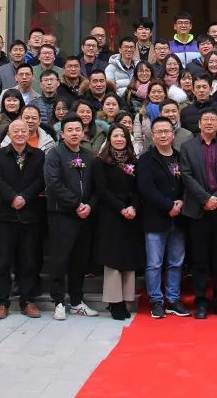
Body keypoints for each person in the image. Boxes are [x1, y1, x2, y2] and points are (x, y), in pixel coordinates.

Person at [179, 108, 217, 318]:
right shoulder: (187, 147)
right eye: (206, 119)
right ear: (199, 123)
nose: (210, 122)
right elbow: (186, 176)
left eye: (213, 119)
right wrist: (205, 199)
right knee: (199, 258)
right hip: (198, 210)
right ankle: (201, 302)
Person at [44, 118, 100, 320]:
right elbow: (53, 183)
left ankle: (77, 301)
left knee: (79, 260)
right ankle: (58, 301)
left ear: (83, 133)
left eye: (78, 129)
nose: (75, 133)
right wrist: (76, 204)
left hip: (85, 216)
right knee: (60, 259)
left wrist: (90, 205)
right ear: (62, 133)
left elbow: (98, 186)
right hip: (62, 215)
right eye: (70, 130)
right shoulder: (55, 154)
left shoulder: (90, 156)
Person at [0, 119, 45, 319]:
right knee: (4, 261)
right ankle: (2, 302)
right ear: (9, 134)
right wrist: (12, 197)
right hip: (6, 215)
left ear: (29, 133)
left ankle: (28, 301)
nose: (20, 134)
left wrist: (25, 197)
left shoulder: (38, 155)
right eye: (16, 131)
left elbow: (41, 180)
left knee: (28, 261)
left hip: (31, 215)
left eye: (24, 131)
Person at [137, 117, 191, 319]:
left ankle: (173, 299)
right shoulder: (146, 159)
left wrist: (181, 203)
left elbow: (188, 183)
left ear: (173, 134)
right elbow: (146, 188)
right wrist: (169, 206)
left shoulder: (180, 157)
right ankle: (156, 300)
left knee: (176, 262)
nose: (163, 135)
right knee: (154, 263)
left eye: (166, 131)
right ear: (152, 135)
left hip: (179, 218)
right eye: (158, 132)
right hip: (155, 218)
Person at [90, 124, 144, 320]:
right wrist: (121, 208)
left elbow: (138, 189)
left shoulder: (134, 161)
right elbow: (102, 190)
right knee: (112, 259)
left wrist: (133, 207)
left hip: (131, 215)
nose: (119, 139)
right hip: (111, 214)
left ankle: (126, 299)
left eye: (123, 136)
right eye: (115, 136)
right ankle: (114, 302)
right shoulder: (100, 162)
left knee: (128, 258)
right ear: (109, 139)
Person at [133, 81, 168, 155]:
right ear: (148, 94)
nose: (156, 94)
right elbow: (138, 139)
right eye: (153, 92)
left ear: (165, 94)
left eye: (159, 92)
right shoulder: (141, 115)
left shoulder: (170, 113)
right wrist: (140, 155)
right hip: (147, 152)